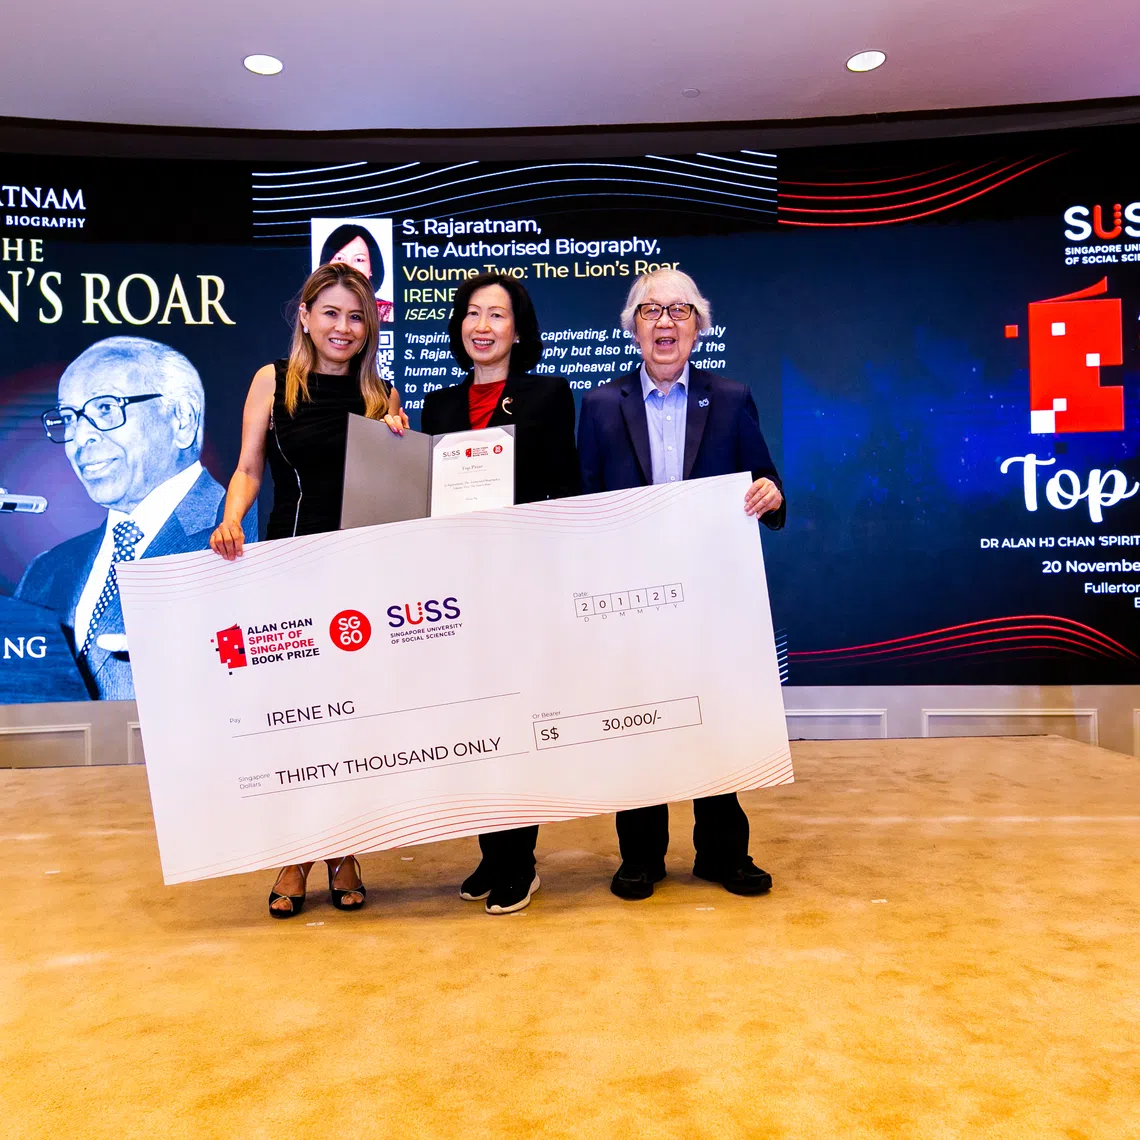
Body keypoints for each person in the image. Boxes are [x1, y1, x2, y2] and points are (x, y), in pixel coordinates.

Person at [577, 267, 786, 901]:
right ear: (632, 327)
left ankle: (723, 853)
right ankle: (640, 856)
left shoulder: (730, 398)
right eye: (650, 311)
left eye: (679, 311)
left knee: (714, 719)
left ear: (699, 326)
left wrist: (770, 494)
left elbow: (771, 494)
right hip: (629, 600)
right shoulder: (599, 405)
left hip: (711, 597)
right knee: (639, 721)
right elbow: (583, 504)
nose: (664, 322)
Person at [209, 261, 407, 918]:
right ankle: (295, 854)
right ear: (306, 316)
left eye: (357, 316)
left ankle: (345, 851)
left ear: (370, 325)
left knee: (347, 722)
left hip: (358, 584)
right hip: (289, 576)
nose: (344, 328)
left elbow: (402, 495)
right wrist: (231, 515)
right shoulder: (273, 380)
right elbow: (246, 469)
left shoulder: (381, 395)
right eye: (331, 313)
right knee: (294, 722)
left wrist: (406, 450)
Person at [420, 271, 579, 914]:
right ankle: (491, 850)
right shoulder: (438, 407)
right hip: (459, 590)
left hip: (522, 582)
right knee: (474, 721)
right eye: (472, 314)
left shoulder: (546, 395)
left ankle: (520, 859)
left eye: (498, 315)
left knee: (515, 721)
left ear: (518, 330)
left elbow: (564, 489)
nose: (483, 325)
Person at [16, 336, 253, 701]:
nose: (79, 437)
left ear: (182, 419)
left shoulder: (251, 534)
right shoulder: (46, 571)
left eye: (106, 409)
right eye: (68, 418)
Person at [319, 223, 394, 322]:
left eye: (358, 260)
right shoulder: (314, 307)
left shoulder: (388, 312)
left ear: (371, 269)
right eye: (340, 258)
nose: (348, 266)